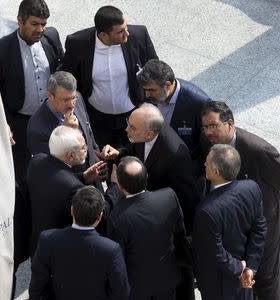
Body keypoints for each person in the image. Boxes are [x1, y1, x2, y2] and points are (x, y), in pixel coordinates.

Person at [99, 104, 198, 300]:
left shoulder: (176, 155)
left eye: (132, 128)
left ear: (150, 134)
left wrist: (187, 234)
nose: (127, 129)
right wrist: (118, 154)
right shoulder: (142, 132)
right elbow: (134, 150)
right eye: (129, 123)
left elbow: (188, 197)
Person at [200, 101, 280, 300]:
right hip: (236, 220)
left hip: (265, 219)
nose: (208, 132)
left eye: (213, 125)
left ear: (230, 123)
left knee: (265, 276)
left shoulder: (257, 149)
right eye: (205, 127)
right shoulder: (209, 142)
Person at [61, 5, 158, 148]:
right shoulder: (77, 43)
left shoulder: (139, 35)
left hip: (133, 115)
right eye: (120, 32)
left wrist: (152, 105)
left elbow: (155, 70)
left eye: (126, 27)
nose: (127, 34)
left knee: (133, 156)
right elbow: (67, 78)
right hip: (97, 119)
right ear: (103, 35)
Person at [0, 0, 64, 184]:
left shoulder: (51, 37)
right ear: (20, 21)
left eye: (44, 24)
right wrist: (4, 124)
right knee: (22, 176)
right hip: (19, 124)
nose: (41, 29)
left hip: (50, 119)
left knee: (55, 170)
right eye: (35, 24)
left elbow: (61, 73)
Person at [193, 144, 267, 300]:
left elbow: (215, 251)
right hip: (245, 274)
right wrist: (251, 267)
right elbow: (259, 229)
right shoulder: (252, 188)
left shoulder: (207, 212)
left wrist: (239, 269)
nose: (204, 164)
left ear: (217, 172)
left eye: (207, 163)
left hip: (218, 281)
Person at [29, 186, 130, 300]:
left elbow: (37, 284)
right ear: (100, 217)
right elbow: (121, 292)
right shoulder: (111, 249)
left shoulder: (47, 240)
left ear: (72, 210)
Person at [107, 156, 185, 300]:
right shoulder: (169, 196)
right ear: (147, 176)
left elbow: (118, 259)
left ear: (120, 186)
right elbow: (179, 230)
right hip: (167, 279)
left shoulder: (117, 217)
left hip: (137, 288)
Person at [27, 125, 107, 256]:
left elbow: (52, 182)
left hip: (37, 245)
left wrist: (83, 177)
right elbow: (96, 215)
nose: (87, 149)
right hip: (59, 253)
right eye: (82, 147)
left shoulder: (36, 161)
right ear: (70, 155)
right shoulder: (74, 188)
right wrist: (115, 185)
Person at [26, 71, 104, 190]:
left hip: (94, 178)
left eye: (73, 98)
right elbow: (51, 170)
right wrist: (65, 130)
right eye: (65, 100)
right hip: (69, 187)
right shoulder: (37, 128)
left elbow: (89, 133)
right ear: (50, 96)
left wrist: (98, 158)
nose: (71, 104)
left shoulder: (78, 99)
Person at [137, 59, 210, 174]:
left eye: (151, 90)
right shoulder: (152, 94)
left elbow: (207, 144)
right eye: (145, 90)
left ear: (167, 85)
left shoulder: (199, 103)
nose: (146, 94)